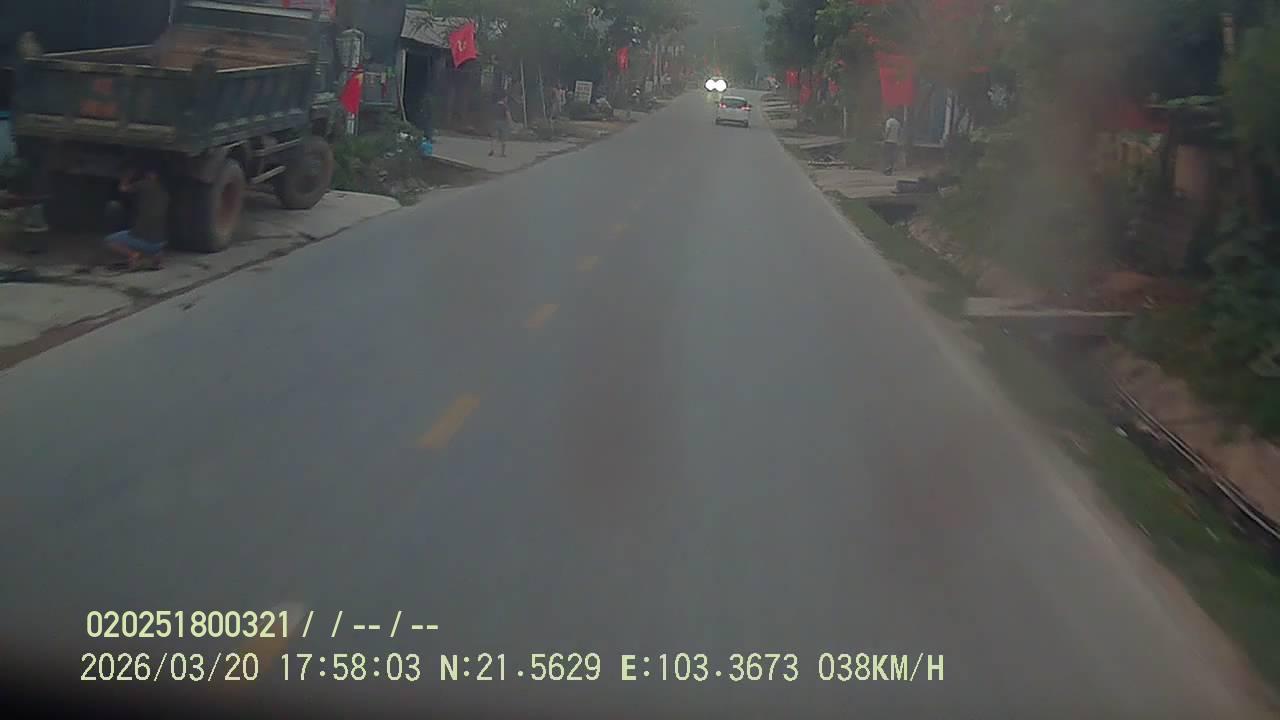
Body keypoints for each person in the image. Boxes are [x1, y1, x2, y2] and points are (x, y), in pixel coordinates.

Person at [104, 167, 169, 270]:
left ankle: (133, 255)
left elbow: (123, 189)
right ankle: (157, 259)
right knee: (154, 239)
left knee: (109, 241)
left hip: (143, 239)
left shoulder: (143, 184)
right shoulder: (164, 191)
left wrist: (126, 177)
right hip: (161, 243)